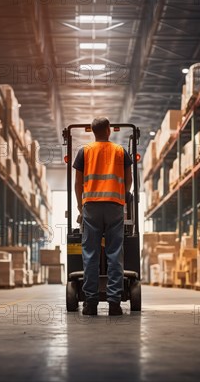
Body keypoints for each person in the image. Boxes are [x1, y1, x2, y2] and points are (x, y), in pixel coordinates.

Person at [73, 117, 133, 316]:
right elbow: (128, 180)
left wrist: (81, 208)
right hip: (115, 206)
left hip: (91, 206)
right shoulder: (120, 151)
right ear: (108, 130)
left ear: (92, 131)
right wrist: (121, 199)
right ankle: (114, 303)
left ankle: (90, 303)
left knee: (90, 254)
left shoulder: (84, 151)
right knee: (114, 253)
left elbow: (78, 183)